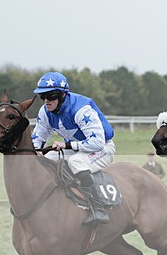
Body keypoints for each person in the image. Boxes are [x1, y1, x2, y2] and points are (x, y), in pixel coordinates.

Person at [31, 71, 115, 224]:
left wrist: (66, 145)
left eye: (51, 96)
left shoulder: (82, 110)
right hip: (77, 149)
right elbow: (39, 136)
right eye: (42, 97)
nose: (46, 101)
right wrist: (35, 150)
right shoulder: (45, 111)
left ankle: (98, 209)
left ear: (62, 95)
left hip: (102, 149)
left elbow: (97, 143)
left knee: (76, 162)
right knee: (47, 159)